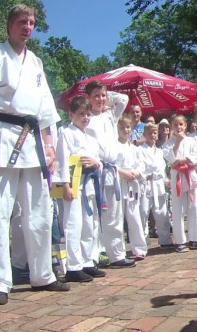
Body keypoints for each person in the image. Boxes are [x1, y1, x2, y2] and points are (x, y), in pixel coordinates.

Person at [0, 4, 68, 305]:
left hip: (33, 143)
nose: (27, 27)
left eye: (32, 22)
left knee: (39, 212)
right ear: (10, 24)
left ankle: (42, 274)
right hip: (1, 137)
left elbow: (45, 110)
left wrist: (49, 145)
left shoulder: (35, 62)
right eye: (22, 21)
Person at [55, 95, 106, 283]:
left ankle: (87, 261)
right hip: (74, 184)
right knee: (73, 224)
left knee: (89, 225)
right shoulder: (66, 133)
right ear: (71, 114)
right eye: (81, 114)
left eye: (88, 114)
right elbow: (61, 161)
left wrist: (96, 163)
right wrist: (65, 185)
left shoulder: (90, 136)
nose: (85, 118)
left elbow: (98, 159)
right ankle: (73, 267)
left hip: (89, 184)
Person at [85, 80, 134, 268]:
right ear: (88, 98)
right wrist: (90, 102)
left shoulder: (110, 114)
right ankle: (93, 256)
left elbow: (123, 99)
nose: (101, 99)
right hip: (94, 170)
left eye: (103, 95)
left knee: (114, 215)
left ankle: (117, 255)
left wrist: (106, 96)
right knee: (94, 216)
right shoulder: (87, 117)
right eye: (96, 96)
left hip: (111, 170)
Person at [162, 115, 197, 252]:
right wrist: (177, 143)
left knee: (193, 207)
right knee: (178, 208)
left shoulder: (192, 141)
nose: (178, 127)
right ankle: (180, 241)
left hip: (189, 174)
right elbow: (171, 159)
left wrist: (183, 159)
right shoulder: (168, 143)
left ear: (185, 125)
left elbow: (196, 157)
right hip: (177, 175)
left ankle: (194, 239)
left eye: (181, 124)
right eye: (175, 125)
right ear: (171, 127)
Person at [115, 114, 147, 259]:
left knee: (134, 216)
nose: (125, 130)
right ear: (117, 129)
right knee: (118, 217)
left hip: (132, 184)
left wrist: (136, 173)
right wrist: (124, 173)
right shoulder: (114, 147)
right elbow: (112, 165)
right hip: (119, 183)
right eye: (122, 127)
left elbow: (141, 166)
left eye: (128, 127)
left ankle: (139, 248)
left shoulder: (135, 149)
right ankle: (118, 250)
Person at [139, 123, 174, 249]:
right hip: (146, 184)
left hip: (159, 185)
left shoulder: (160, 151)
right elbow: (139, 166)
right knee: (143, 213)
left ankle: (165, 239)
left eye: (154, 133)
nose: (152, 135)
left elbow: (162, 169)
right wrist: (144, 175)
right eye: (149, 133)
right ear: (144, 134)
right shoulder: (140, 150)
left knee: (162, 213)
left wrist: (166, 180)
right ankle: (142, 242)